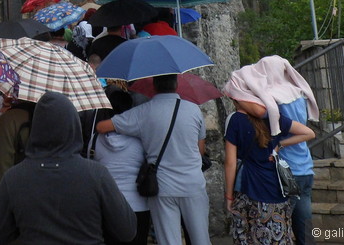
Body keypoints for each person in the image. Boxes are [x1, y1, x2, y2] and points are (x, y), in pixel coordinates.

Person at [0, 91, 136, 245]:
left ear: (35, 128)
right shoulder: (97, 175)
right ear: (74, 125)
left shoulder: (14, 178)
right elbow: (127, 230)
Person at [96, 74, 211, 245]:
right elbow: (200, 150)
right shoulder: (194, 110)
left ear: (154, 87)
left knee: (168, 240)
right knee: (200, 239)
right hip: (192, 183)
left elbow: (102, 127)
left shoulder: (144, 112)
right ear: (176, 85)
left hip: (162, 186)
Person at [223, 56, 319, 245]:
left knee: (281, 225)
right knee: (304, 225)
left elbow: (258, 114)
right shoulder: (298, 93)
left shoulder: (272, 101)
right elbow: (307, 131)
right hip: (305, 166)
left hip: (284, 171)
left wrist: (279, 145)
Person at [89, 87, 150, 245]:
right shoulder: (140, 138)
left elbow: (92, 164)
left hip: (108, 205)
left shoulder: (96, 138)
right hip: (138, 204)